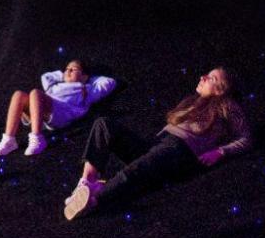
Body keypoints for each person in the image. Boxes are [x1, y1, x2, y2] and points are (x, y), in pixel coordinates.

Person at [63, 67, 251, 219]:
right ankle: (86, 183)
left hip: (179, 150)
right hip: (160, 144)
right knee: (103, 124)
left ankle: (94, 200)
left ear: (221, 90)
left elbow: (246, 138)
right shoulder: (195, 103)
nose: (203, 77)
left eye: (211, 78)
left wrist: (220, 152)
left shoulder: (227, 105)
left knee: (134, 171)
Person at [0, 58, 117, 157]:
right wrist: (62, 75)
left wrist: (89, 80)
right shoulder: (56, 85)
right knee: (18, 94)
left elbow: (110, 82)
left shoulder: (86, 90)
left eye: (73, 69)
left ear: (84, 76)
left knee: (35, 92)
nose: (68, 71)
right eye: (66, 69)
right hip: (43, 112)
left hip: (61, 114)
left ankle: (37, 137)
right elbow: (46, 77)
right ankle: (9, 140)